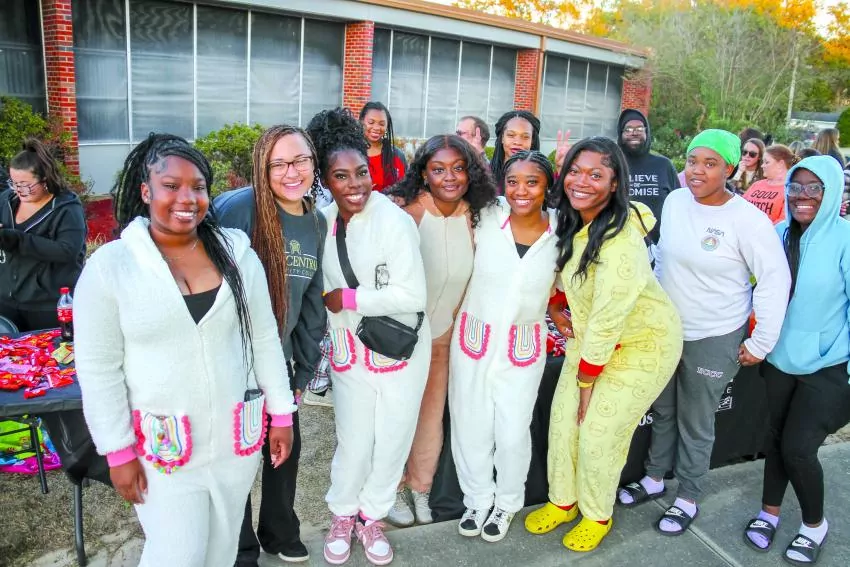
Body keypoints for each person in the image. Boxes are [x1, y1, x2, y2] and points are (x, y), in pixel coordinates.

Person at [74, 133, 296, 566]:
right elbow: (99, 369)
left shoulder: (237, 255)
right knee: (177, 554)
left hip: (234, 443)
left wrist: (282, 414)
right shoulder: (110, 268)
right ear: (145, 191)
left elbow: (264, 338)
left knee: (220, 551)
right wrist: (117, 450)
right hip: (163, 450)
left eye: (198, 187)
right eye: (171, 186)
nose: (187, 198)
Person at [617, 129, 791, 536]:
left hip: (715, 333)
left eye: (710, 164)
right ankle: (655, 477)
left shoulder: (747, 220)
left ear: (730, 168)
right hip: (666, 330)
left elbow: (774, 279)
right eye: (693, 161)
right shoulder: (676, 201)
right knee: (662, 409)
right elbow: (663, 259)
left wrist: (762, 341)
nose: (697, 171)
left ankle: (689, 496)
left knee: (695, 420)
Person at [523, 137, 682, 552]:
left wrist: (587, 382)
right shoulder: (573, 220)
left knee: (597, 432)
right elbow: (568, 272)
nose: (581, 181)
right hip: (591, 338)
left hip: (642, 345)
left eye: (596, 174)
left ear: (615, 183)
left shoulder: (621, 239)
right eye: (575, 171)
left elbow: (610, 316)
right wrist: (556, 303)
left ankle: (596, 513)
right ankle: (563, 500)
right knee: (563, 424)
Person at [306, 108, 430, 566]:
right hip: (349, 352)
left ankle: (371, 517)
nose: (355, 184)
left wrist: (348, 298)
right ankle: (343, 514)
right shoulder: (320, 223)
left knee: (393, 438)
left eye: (361, 172)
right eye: (341, 176)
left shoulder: (394, 220)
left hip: (399, 350)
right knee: (354, 440)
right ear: (324, 179)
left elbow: (412, 294)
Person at [214, 125, 327, 566]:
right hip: (234, 362)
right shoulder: (238, 209)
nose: (290, 172)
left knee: (284, 452)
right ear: (262, 169)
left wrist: (303, 369)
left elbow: (312, 301)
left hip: (280, 362)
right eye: (278, 164)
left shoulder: (316, 221)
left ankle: (279, 532)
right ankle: (240, 546)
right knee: (240, 456)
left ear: (313, 163)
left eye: (300, 161)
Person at [741, 156, 850, 565]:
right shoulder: (778, 232)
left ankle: (813, 525)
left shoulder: (845, 238)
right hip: (779, 359)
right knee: (775, 439)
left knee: (798, 448)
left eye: (814, 188)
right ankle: (769, 512)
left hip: (829, 365)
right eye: (795, 186)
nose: (803, 196)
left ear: (831, 192)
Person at [386, 135, 497, 527]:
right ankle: (388, 489)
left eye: (458, 168)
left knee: (430, 418)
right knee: (395, 415)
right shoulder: (405, 212)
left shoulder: (479, 217)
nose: (449, 177)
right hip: (400, 337)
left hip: (444, 337)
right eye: (438, 169)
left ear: (471, 172)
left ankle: (421, 487)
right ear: (423, 174)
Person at [449, 150, 558, 543]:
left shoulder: (562, 230)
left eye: (532, 182)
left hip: (522, 347)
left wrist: (557, 309)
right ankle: (477, 499)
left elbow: (563, 284)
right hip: (474, 340)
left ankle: (507, 502)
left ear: (548, 186)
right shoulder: (485, 215)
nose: (520, 190)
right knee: (470, 425)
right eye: (512, 181)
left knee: (512, 432)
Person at [0, 139, 86, 331]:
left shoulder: (66, 209)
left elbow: (67, 251)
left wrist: (15, 240)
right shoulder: (6, 200)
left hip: (48, 306)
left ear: (45, 179)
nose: (19, 190)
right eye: (14, 183)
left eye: (26, 185)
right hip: (6, 302)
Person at [616, 108, 679, 242]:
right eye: (628, 129)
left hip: (659, 246)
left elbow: (678, 205)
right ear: (620, 134)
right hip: (618, 244)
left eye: (639, 129)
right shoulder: (612, 165)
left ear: (647, 132)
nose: (634, 133)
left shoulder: (664, 165)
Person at [742, 144, 798, 224]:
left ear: (780, 164)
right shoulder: (757, 185)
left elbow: (782, 223)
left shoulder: (790, 190)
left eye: (766, 162)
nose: (762, 166)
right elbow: (740, 206)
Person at [359, 102, 406, 193]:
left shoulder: (397, 156)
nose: (376, 128)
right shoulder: (351, 154)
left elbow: (405, 187)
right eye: (371, 122)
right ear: (361, 121)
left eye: (381, 124)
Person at [490, 111, 541, 190]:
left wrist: (560, 169)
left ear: (532, 141)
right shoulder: (485, 174)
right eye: (511, 135)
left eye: (525, 137)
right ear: (502, 138)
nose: (517, 142)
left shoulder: (542, 175)